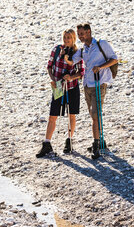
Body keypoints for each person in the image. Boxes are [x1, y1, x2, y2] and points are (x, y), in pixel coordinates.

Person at [71, 23, 118, 159]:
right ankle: (100, 141)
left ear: (89, 32)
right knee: (93, 115)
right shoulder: (83, 50)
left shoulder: (101, 44)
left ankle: (96, 144)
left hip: (99, 83)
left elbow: (114, 59)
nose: (80, 36)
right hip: (87, 84)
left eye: (82, 33)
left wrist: (100, 67)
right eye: (78, 34)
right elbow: (72, 62)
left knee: (96, 115)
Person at [36, 29, 84, 158]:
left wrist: (72, 77)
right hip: (58, 86)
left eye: (69, 37)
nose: (66, 39)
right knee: (53, 114)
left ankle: (69, 140)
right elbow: (49, 66)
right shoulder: (57, 49)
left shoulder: (78, 52)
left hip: (72, 87)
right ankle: (47, 143)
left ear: (73, 39)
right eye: (65, 37)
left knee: (71, 115)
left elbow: (81, 72)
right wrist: (53, 79)